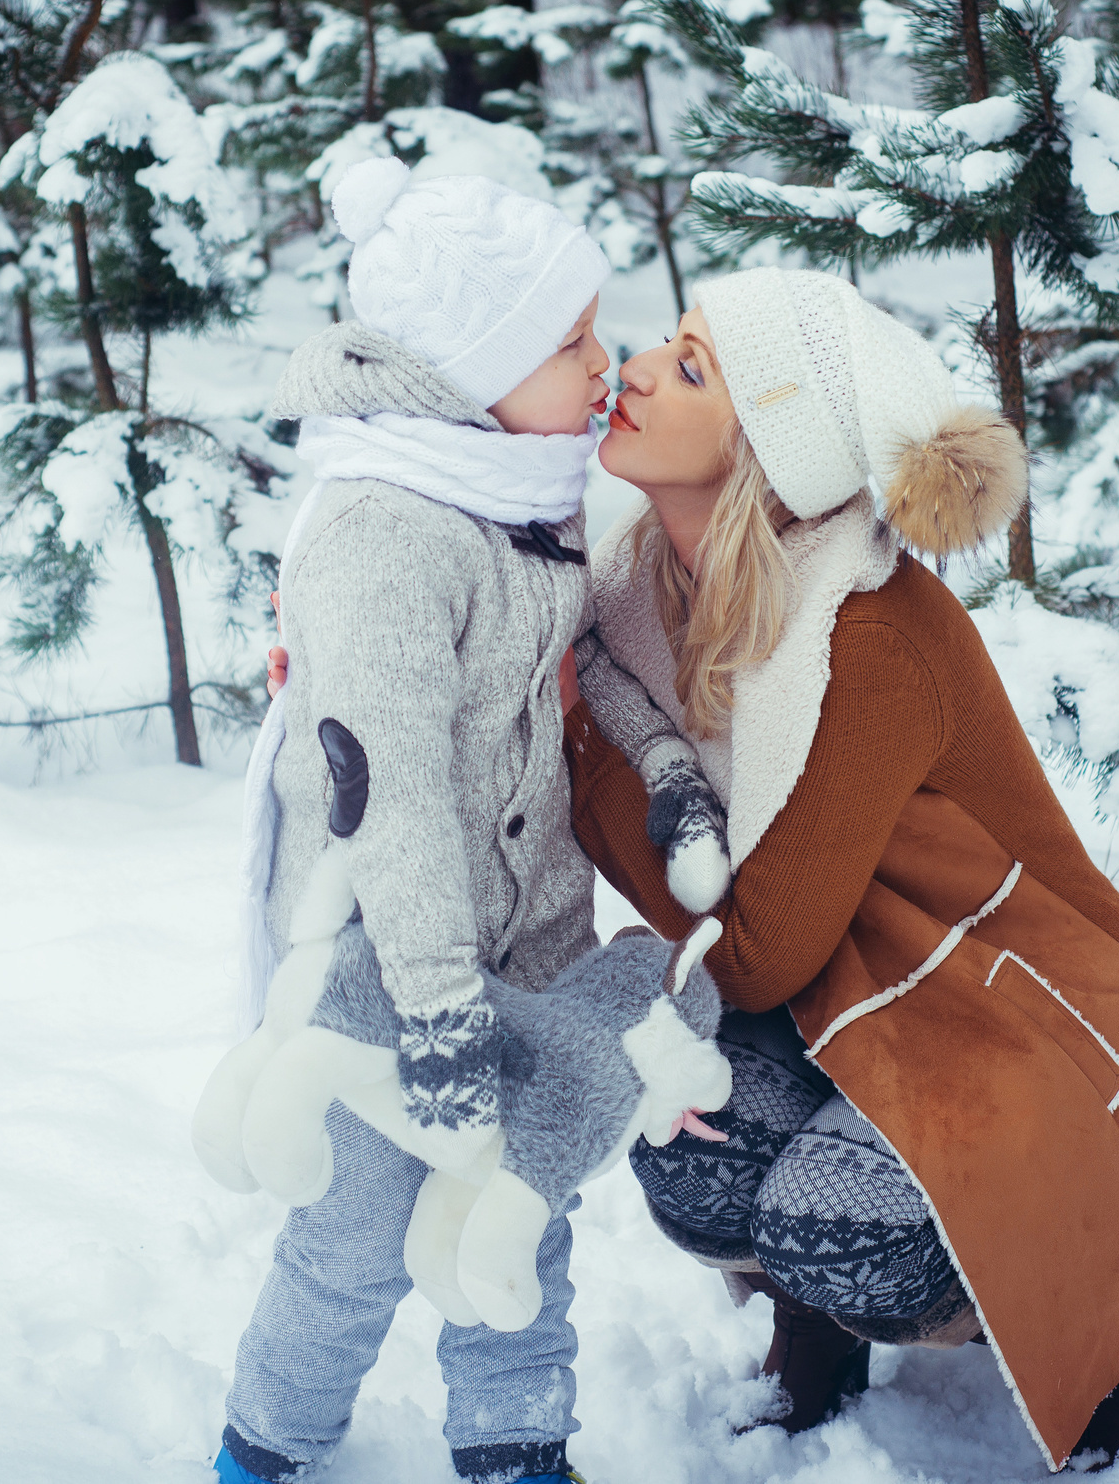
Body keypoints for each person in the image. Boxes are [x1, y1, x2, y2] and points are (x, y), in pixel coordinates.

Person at [560, 268, 1119, 1472]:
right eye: (666, 341)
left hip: (1015, 1020)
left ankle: (1096, 1320)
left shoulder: (864, 634)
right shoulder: (639, 581)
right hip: (846, 1002)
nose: (639, 367)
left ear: (766, 447)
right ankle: (812, 1337)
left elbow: (754, 952)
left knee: (838, 1229)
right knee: (688, 1145)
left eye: (694, 365)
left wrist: (587, 743)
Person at [215, 156, 709, 1484]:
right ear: (468, 364)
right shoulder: (388, 531)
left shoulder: (517, 491)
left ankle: (515, 1448)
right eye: (569, 340)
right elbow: (392, 790)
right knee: (359, 1225)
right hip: (390, 960)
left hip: (530, 935)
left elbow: (576, 657)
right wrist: (438, 1006)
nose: (604, 361)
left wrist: (665, 762)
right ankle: (268, 1441)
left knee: (515, 1216)